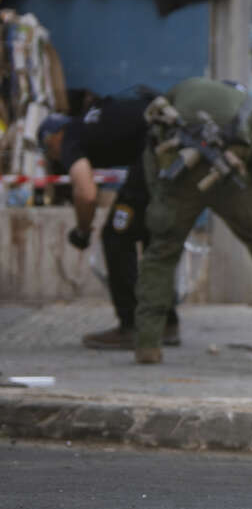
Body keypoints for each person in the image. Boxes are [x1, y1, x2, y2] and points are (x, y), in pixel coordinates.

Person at [132, 78, 252, 364]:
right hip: (237, 182)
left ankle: (147, 345)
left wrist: (160, 198)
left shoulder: (182, 90)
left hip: (181, 180)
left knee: (161, 255)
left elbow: (152, 148)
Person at [38, 87, 181, 349]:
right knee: (151, 232)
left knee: (116, 235)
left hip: (155, 148)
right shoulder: (92, 123)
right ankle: (166, 323)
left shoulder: (70, 137)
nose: (56, 158)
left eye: (50, 151)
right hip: (172, 148)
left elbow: (86, 193)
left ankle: (131, 326)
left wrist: (82, 231)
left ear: (53, 136)